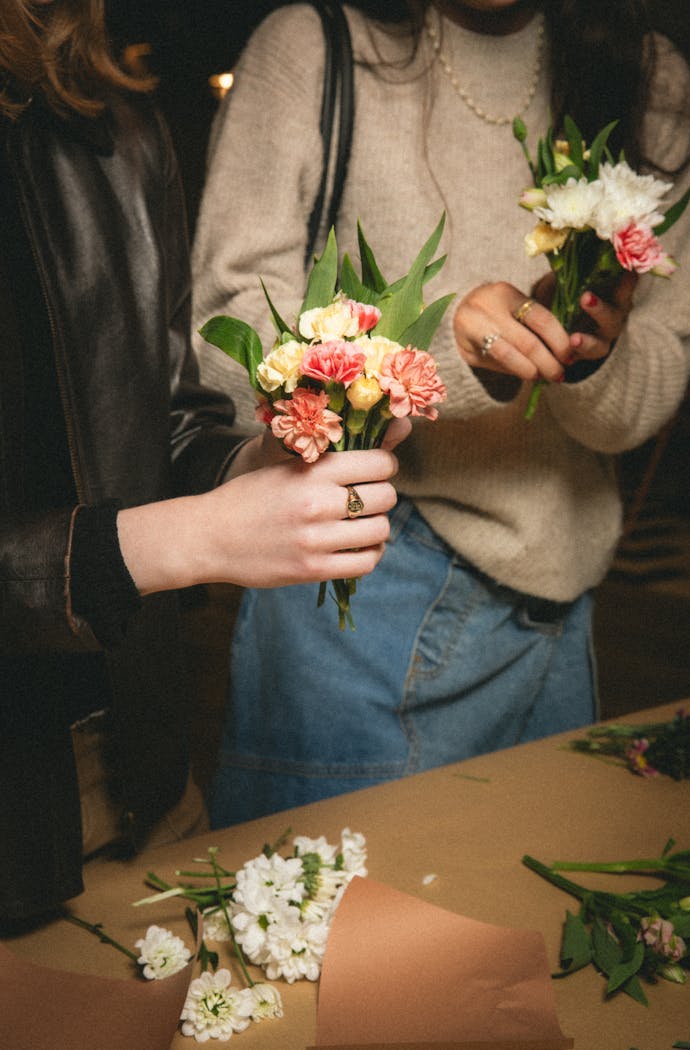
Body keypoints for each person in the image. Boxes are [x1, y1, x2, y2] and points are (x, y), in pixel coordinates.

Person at [191, 0, 690, 826]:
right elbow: (227, 353)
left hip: (563, 605)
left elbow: (642, 405)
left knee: (520, 944)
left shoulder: (652, 79)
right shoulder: (315, 49)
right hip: (365, 579)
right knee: (334, 941)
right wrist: (434, 357)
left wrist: (590, 359)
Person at [0, 0, 403, 932]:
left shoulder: (112, 125)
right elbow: (161, 532)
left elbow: (167, 421)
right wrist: (185, 540)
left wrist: (262, 463)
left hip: (139, 780)